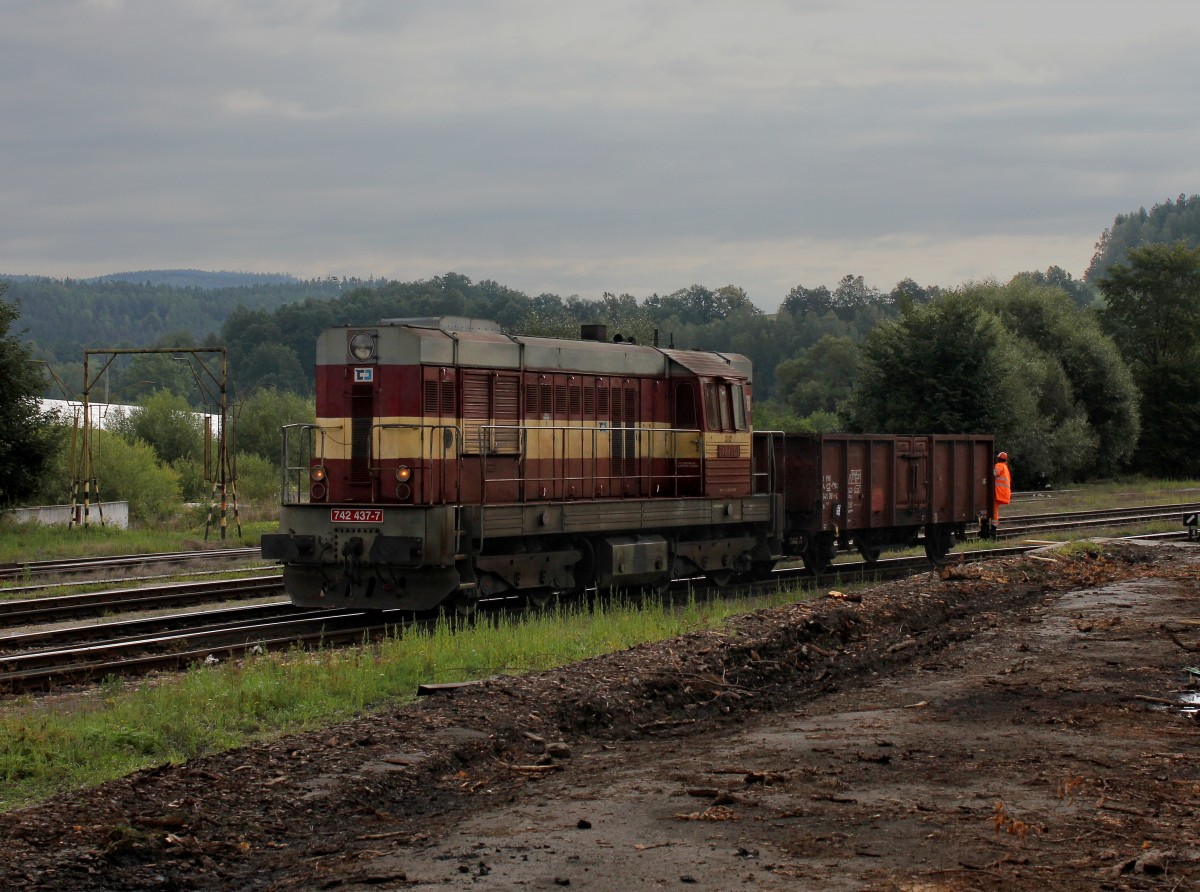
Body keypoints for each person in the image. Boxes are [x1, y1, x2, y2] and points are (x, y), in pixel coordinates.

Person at [991, 451, 1011, 537]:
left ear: (998, 459)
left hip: (998, 493)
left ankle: (993, 530)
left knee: (994, 511)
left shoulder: (999, 465)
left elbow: (995, 474)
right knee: (995, 511)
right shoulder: (1006, 468)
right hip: (1003, 494)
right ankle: (993, 529)